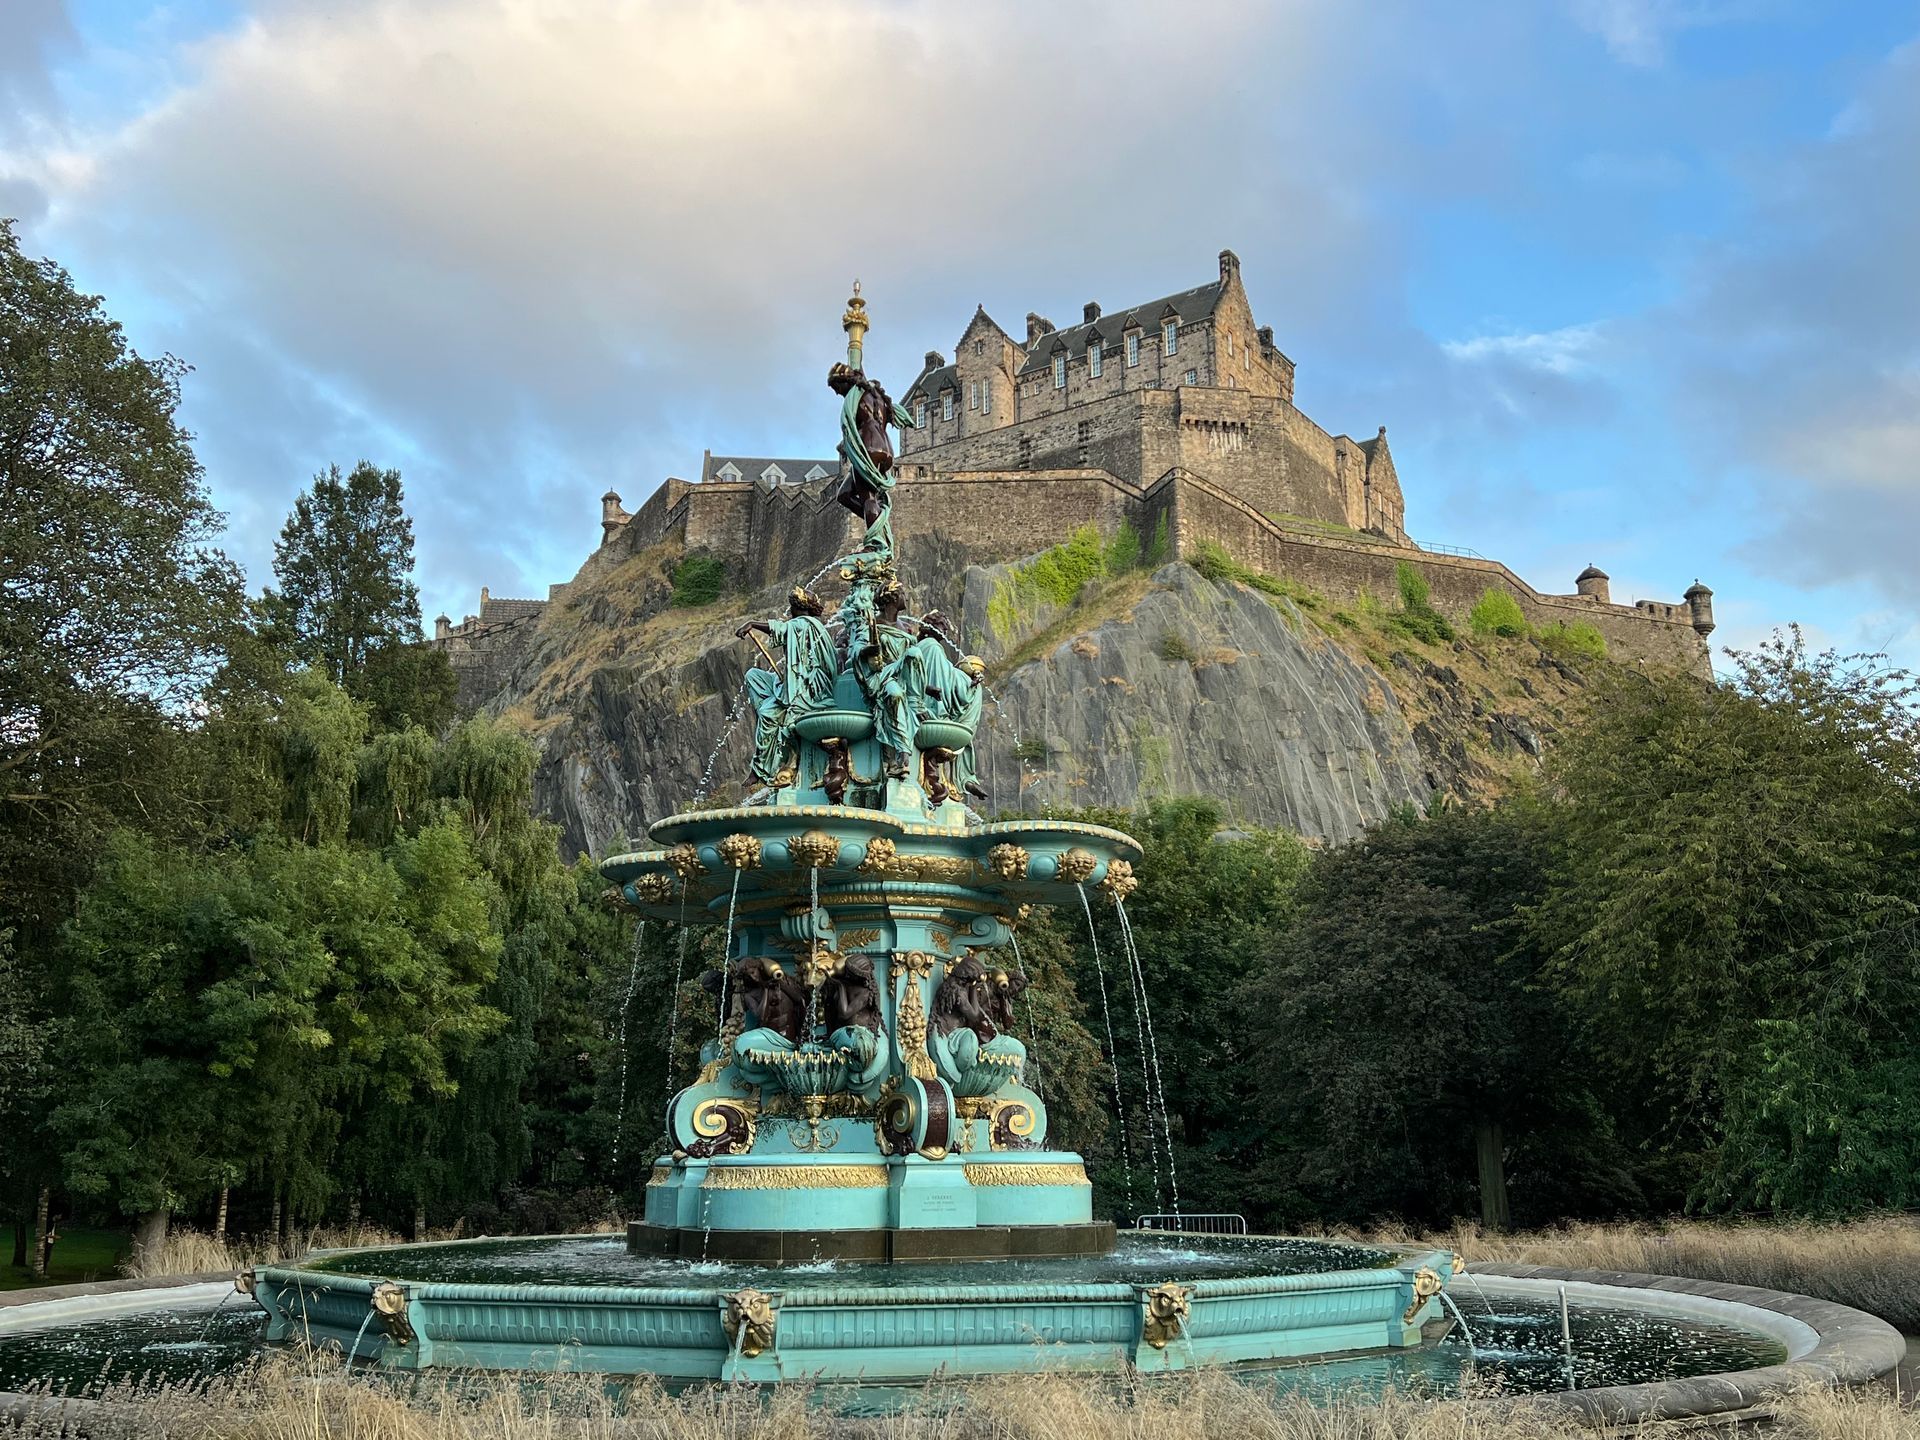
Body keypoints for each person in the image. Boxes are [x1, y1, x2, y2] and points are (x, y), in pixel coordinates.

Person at [737, 587, 836, 788]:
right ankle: (774, 715)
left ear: (796, 607)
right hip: (791, 682)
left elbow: (781, 630)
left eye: (791, 605)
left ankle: (761, 769)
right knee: (754, 676)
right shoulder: (805, 624)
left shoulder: (805, 624)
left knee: (767, 713)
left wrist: (752, 624)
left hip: (805, 688)